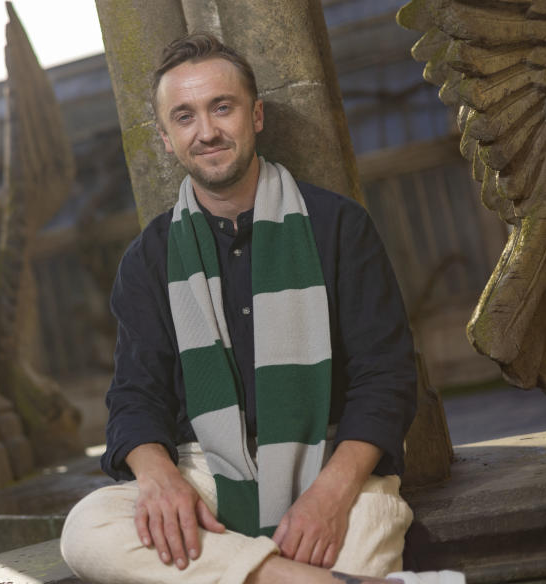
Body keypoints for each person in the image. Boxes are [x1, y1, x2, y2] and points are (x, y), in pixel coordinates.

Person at [59, 33, 463, 584]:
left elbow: (385, 379)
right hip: (204, 468)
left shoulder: (338, 227)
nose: (206, 131)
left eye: (221, 107)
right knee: (89, 528)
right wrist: (160, 478)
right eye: (184, 117)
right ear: (165, 137)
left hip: (331, 457)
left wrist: (330, 494)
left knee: (363, 528)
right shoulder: (149, 259)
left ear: (256, 116)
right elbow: (136, 393)